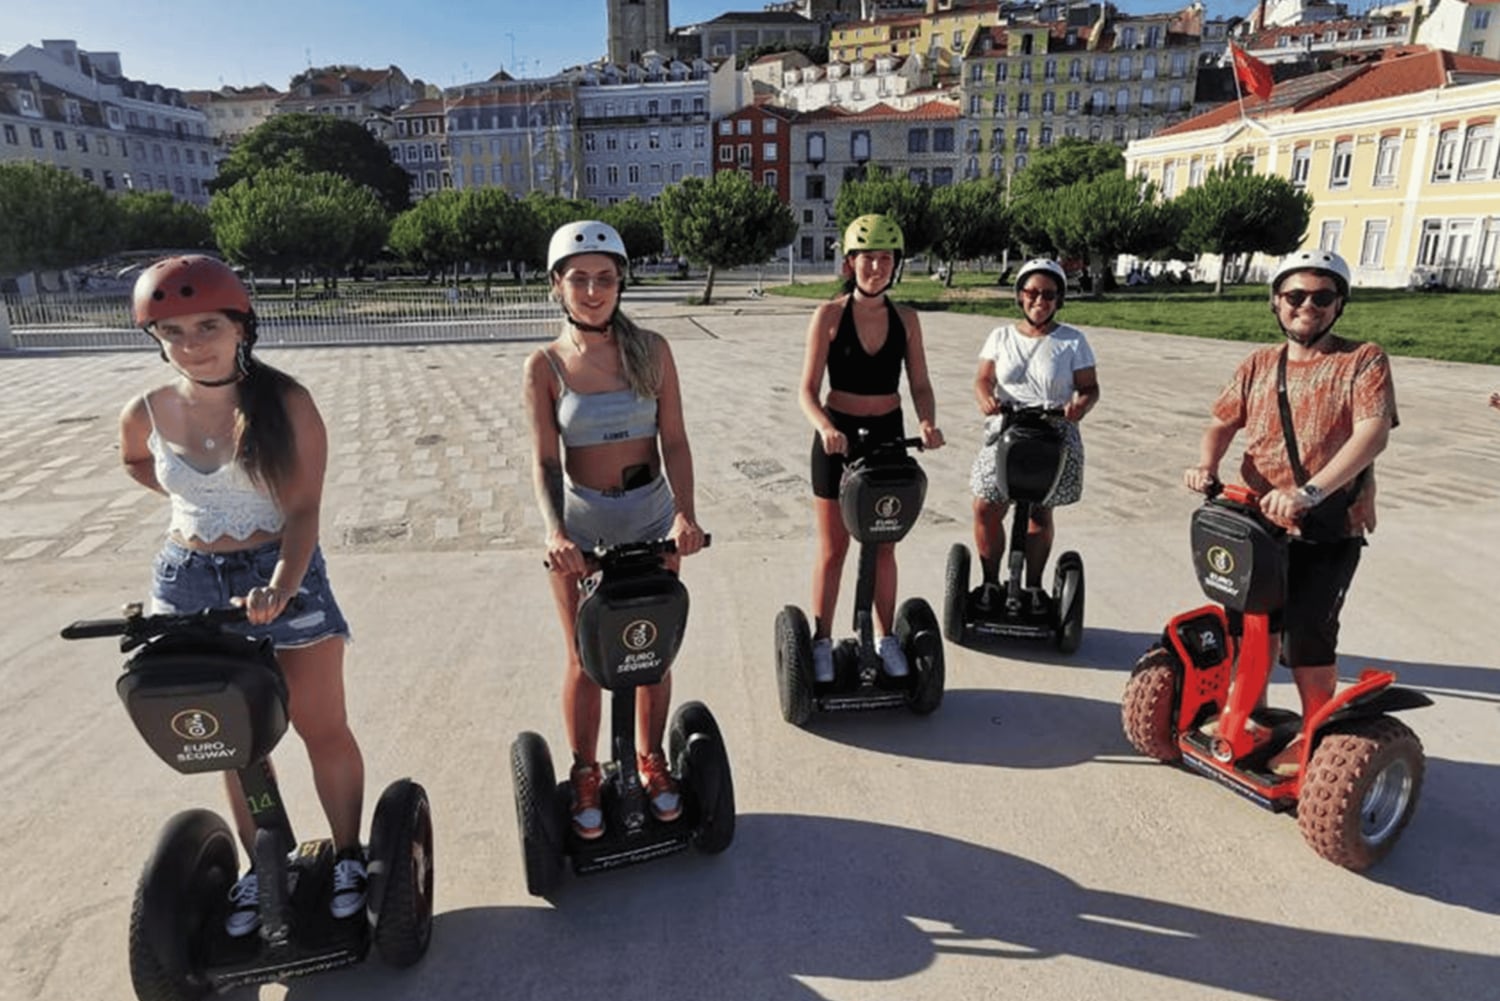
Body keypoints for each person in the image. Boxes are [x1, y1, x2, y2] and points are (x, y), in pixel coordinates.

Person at [119, 256, 365, 937]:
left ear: (240, 327)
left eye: (208, 326)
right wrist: (195, 512)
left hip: (280, 567)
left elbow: (305, 509)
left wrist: (282, 586)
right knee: (235, 741)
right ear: (156, 339)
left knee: (320, 724)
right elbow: (138, 461)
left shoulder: (285, 404)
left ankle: (348, 854)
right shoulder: (148, 409)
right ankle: (269, 864)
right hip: (189, 578)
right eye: (172, 331)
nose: (193, 344)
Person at [523, 220, 706, 841]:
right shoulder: (545, 366)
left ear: (621, 281)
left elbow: (675, 441)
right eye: (580, 279)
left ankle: (651, 761)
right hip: (583, 529)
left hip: (651, 516)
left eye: (605, 278)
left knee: (648, 649)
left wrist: (685, 514)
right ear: (557, 286)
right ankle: (583, 771)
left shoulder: (653, 350)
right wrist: (556, 533)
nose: (593, 290)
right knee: (584, 656)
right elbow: (546, 461)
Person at [1183, 249, 1397, 776]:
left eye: (1322, 297)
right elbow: (1220, 422)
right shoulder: (1259, 363)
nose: (1308, 306)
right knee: (1249, 622)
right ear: (1277, 302)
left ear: (1339, 304)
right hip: (1254, 516)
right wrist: (1205, 464)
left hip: (1326, 523)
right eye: (1295, 296)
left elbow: (1371, 434)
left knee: (1307, 634)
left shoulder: (1362, 359)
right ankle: (1248, 712)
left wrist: (1312, 491)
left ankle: (1311, 731)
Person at [798, 214, 945, 683]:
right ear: (850, 264)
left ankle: (885, 638)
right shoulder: (829, 316)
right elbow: (806, 389)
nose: (876, 268)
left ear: (896, 264)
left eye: (885, 259)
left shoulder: (907, 319)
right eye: (868, 259)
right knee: (834, 548)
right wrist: (823, 426)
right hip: (836, 436)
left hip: (887, 435)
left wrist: (927, 421)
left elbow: (919, 383)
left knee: (883, 545)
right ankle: (821, 641)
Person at [969, 259, 1099, 610]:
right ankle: (991, 583)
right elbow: (983, 379)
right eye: (1031, 292)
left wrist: (1079, 407)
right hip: (1007, 426)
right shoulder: (1001, 336)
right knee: (985, 505)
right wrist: (985, 398)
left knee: (1040, 512)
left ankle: (1035, 588)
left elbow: (1089, 388)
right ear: (1019, 295)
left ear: (1059, 299)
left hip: (1053, 430)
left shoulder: (1073, 341)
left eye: (1048, 294)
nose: (1039, 301)